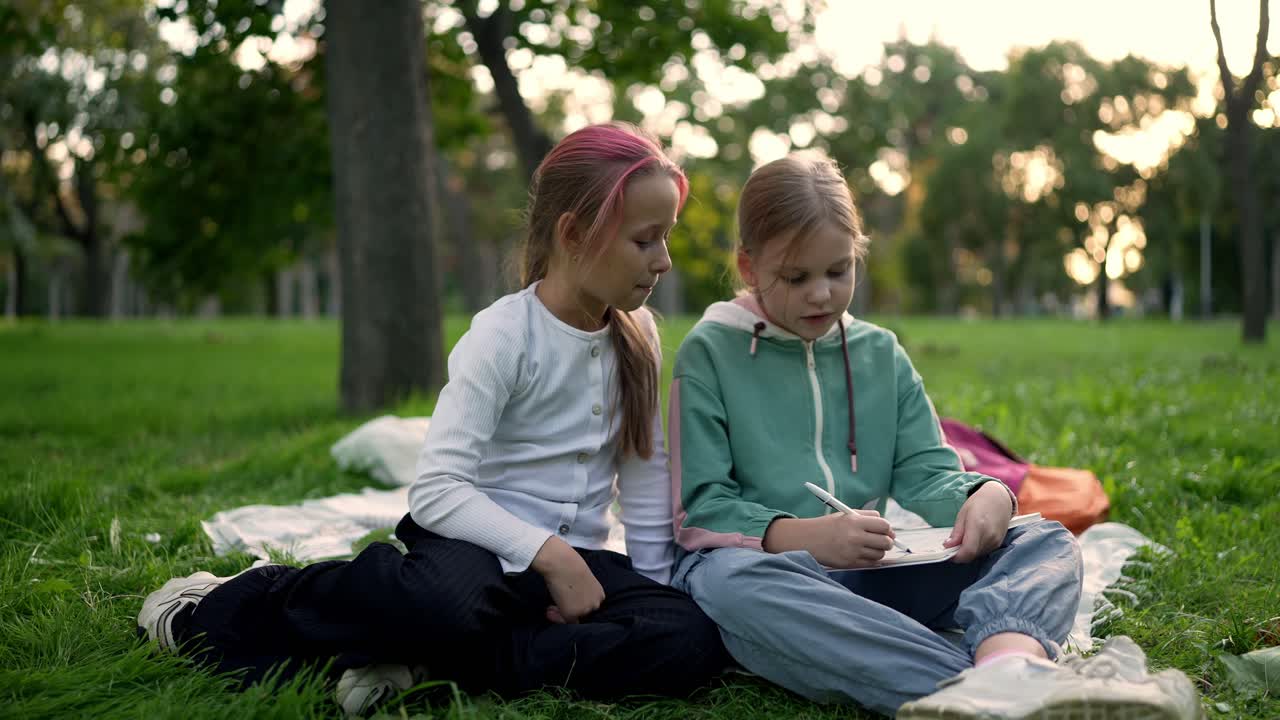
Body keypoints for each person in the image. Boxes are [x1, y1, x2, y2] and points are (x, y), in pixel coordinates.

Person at [136, 122, 728, 715]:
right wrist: (552, 556)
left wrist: (653, 589)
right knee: (436, 605)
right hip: (474, 552)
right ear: (574, 233)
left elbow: (645, 475)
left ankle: (433, 662)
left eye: (666, 239)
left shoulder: (640, 335)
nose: (665, 261)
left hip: (581, 566)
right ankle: (218, 604)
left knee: (687, 638)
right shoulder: (503, 335)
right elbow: (437, 492)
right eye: (646, 240)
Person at [666, 153, 1202, 720]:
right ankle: (997, 688)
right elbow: (701, 511)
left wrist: (984, 496)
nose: (821, 294)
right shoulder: (709, 353)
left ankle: (1004, 671)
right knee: (726, 586)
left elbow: (927, 474)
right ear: (750, 268)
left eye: (839, 270)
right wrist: (806, 537)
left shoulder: (880, 354)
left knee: (1044, 541)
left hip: (874, 574)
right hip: (780, 579)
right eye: (796, 278)